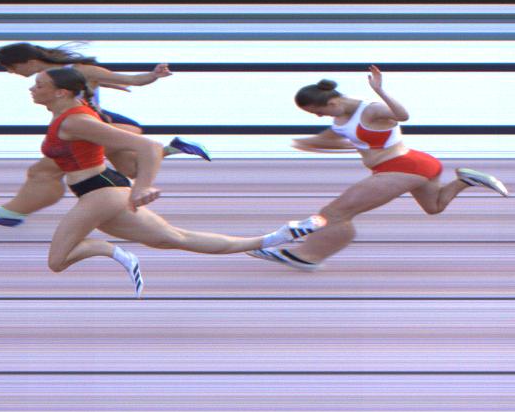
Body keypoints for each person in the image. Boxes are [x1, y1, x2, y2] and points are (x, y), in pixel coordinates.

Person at [22, 69, 309, 295]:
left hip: (100, 193)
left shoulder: (75, 121)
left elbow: (148, 146)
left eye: (39, 85)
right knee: (172, 238)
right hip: (104, 190)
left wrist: (142, 186)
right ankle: (272, 238)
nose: (32, 89)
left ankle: (115, 252)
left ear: (60, 92)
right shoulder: (74, 114)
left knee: (57, 261)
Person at [244, 66, 510, 271]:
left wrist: (380, 91)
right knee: (434, 207)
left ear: (332, 103)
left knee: (336, 213)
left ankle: (307, 256)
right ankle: (465, 180)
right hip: (416, 164)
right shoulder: (341, 116)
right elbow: (334, 138)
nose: (318, 116)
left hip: (403, 166)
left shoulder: (370, 110)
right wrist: (306, 143)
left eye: (318, 112)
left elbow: (403, 116)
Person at [0, 42, 214, 227]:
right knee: (131, 169)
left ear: (28, 62)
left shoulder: (79, 69)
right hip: (102, 127)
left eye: (10, 67)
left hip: (104, 126)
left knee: (43, 171)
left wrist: (154, 75)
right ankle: (175, 147)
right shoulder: (56, 76)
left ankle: (10, 214)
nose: (11, 72)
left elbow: (131, 80)